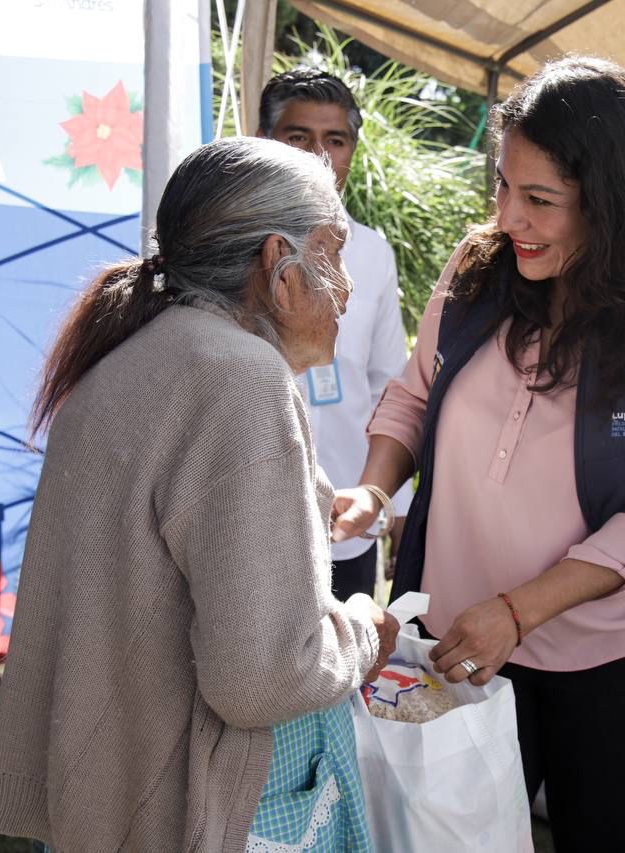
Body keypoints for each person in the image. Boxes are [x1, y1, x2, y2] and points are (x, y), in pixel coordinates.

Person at [333, 57, 625, 851]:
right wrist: (374, 493)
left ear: (612, 205)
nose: (510, 217)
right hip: (459, 649)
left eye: (540, 200)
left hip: (617, 668)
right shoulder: (478, 269)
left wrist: (518, 611)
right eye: (503, 188)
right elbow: (416, 396)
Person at [0, 137, 399, 852]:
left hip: (112, 789)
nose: (348, 284)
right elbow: (260, 679)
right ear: (278, 265)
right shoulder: (243, 378)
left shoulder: (134, 350)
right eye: (332, 250)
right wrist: (365, 631)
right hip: (206, 812)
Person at [258, 69, 413, 601]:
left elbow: (391, 383)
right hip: (247, 519)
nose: (318, 156)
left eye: (336, 140)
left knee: (343, 675)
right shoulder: (229, 248)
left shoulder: (372, 253)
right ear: (264, 143)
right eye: (298, 138)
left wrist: (395, 504)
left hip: (345, 520)